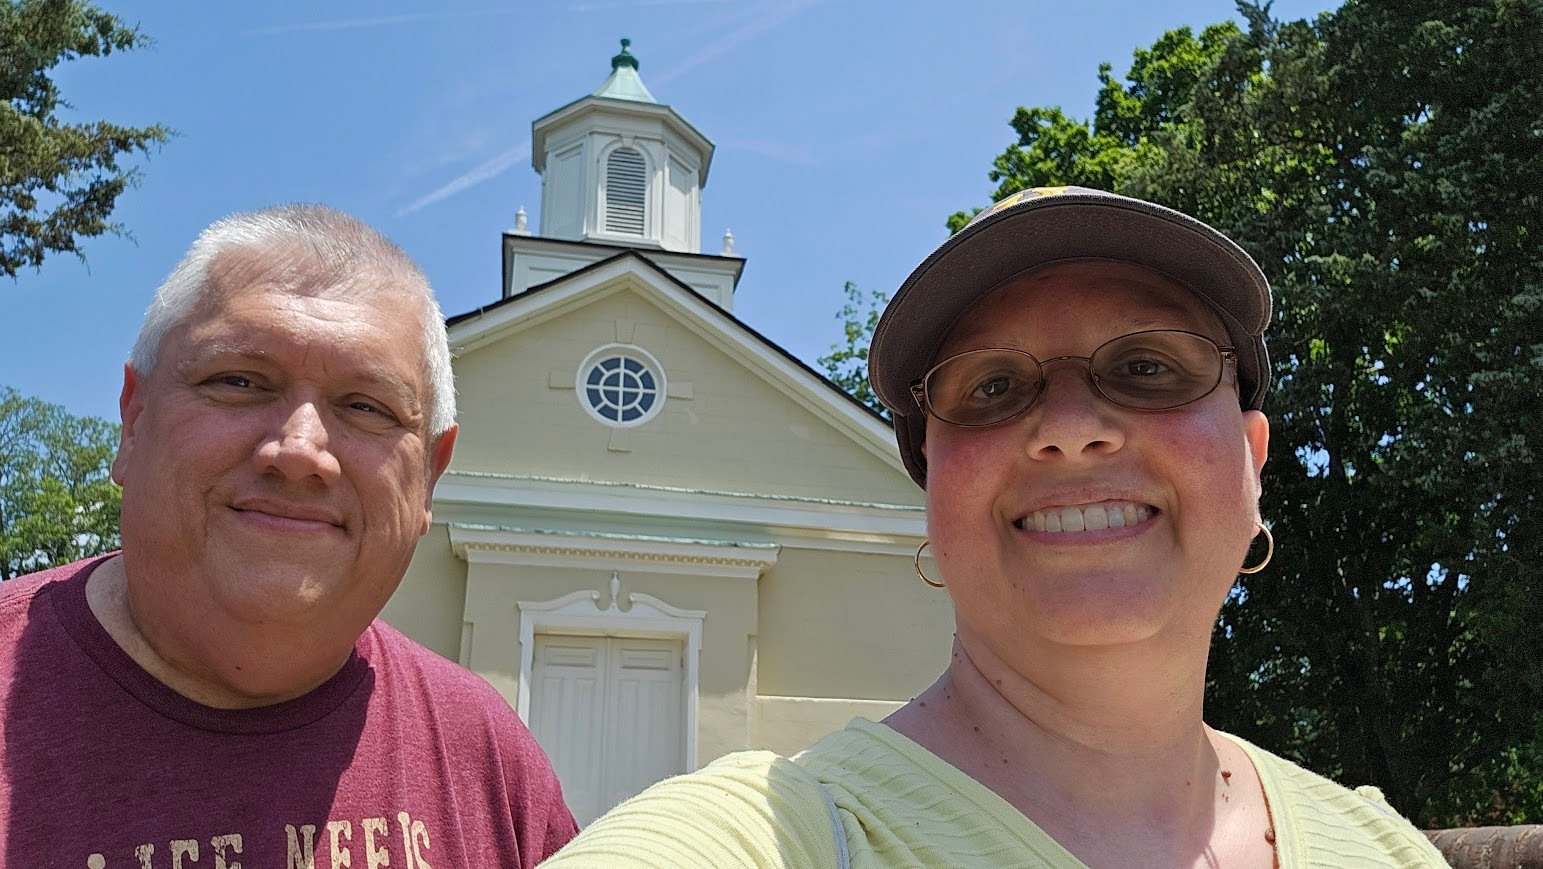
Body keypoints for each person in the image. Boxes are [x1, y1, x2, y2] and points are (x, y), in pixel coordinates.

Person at [541, 187, 1449, 867]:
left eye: (1145, 365)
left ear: (1252, 459)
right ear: (930, 493)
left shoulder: (1382, 846)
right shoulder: (777, 839)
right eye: (991, 387)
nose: (1067, 425)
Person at [0, 205, 578, 868]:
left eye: (366, 405)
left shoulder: (487, 758)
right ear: (133, 422)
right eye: (239, 381)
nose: (300, 449)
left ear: (428, 477)